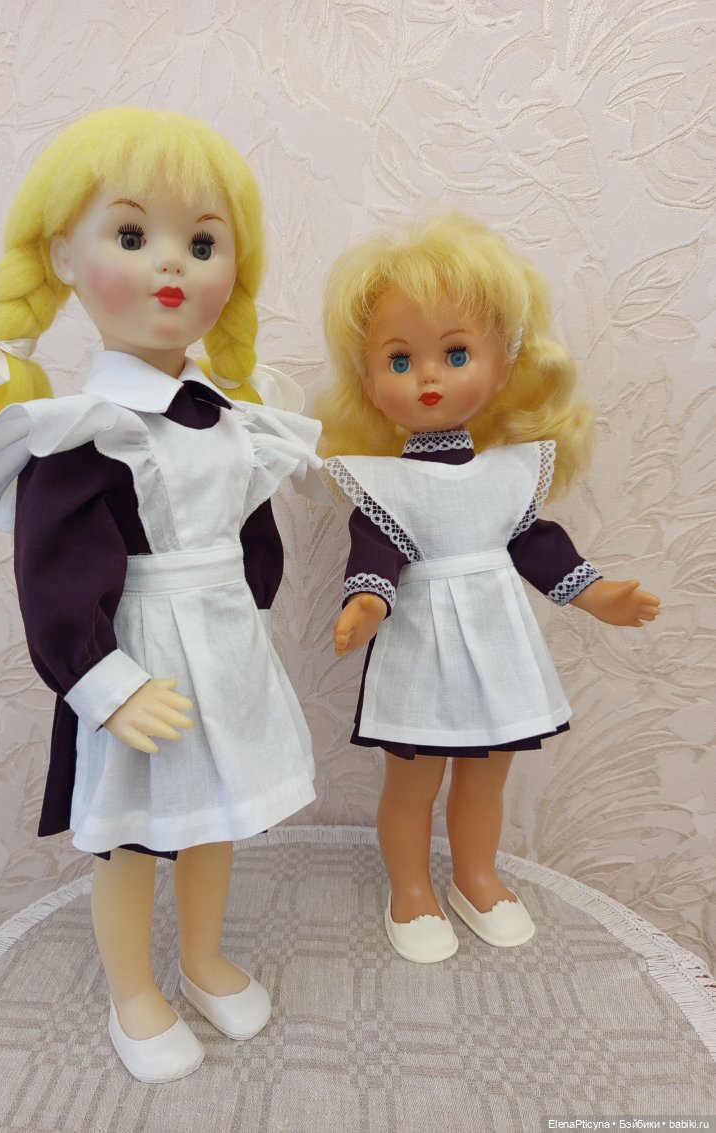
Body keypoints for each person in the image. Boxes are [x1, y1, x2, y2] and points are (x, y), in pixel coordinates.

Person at [0, 107, 325, 1081]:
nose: (172, 264)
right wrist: (102, 682)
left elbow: (248, 526)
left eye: (203, 243)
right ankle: (132, 988)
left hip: (224, 649)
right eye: (133, 235)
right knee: (131, 838)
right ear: (65, 256)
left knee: (217, 817)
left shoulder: (232, 418)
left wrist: (252, 611)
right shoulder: (82, 429)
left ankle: (202, 957)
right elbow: (53, 573)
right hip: (137, 654)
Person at [316, 213, 660, 964]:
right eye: (399, 359)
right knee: (413, 780)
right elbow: (375, 550)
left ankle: (476, 875)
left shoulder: (509, 473)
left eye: (456, 353)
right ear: (369, 381)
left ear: (504, 366)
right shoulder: (387, 484)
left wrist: (597, 594)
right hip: (419, 647)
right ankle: (411, 886)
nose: (428, 376)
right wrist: (366, 603)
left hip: (499, 644)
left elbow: (536, 544)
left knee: (486, 775)